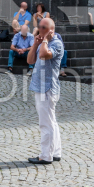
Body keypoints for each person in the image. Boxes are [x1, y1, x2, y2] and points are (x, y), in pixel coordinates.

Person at [27, 17, 64, 165]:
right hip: (40, 87)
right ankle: (55, 152)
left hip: (47, 89)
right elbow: (30, 60)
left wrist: (44, 41)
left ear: (50, 30)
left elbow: (44, 55)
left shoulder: (56, 43)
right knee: (52, 122)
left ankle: (46, 155)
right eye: (39, 26)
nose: (39, 29)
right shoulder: (42, 42)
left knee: (46, 124)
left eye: (42, 27)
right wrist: (35, 43)